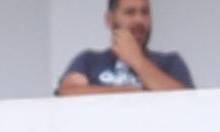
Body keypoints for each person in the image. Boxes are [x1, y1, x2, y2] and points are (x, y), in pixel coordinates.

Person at [58, 0, 192, 90]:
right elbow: (69, 92)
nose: (140, 20)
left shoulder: (171, 62)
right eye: (130, 12)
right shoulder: (88, 60)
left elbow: (186, 102)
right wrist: (140, 95)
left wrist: (137, 60)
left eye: (145, 12)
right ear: (110, 20)